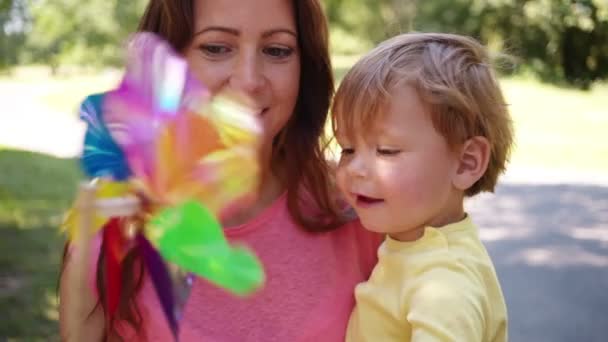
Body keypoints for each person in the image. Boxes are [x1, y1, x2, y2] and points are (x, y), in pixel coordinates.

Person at [59, 1, 381, 341]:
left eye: (276, 50)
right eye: (215, 48)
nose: (249, 80)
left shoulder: (361, 206)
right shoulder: (110, 225)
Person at [331, 32, 512, 341]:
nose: (355, 169)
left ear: (466, 162)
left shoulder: (444, 287)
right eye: (347, 149)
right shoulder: (416, 246)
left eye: (386, 150)